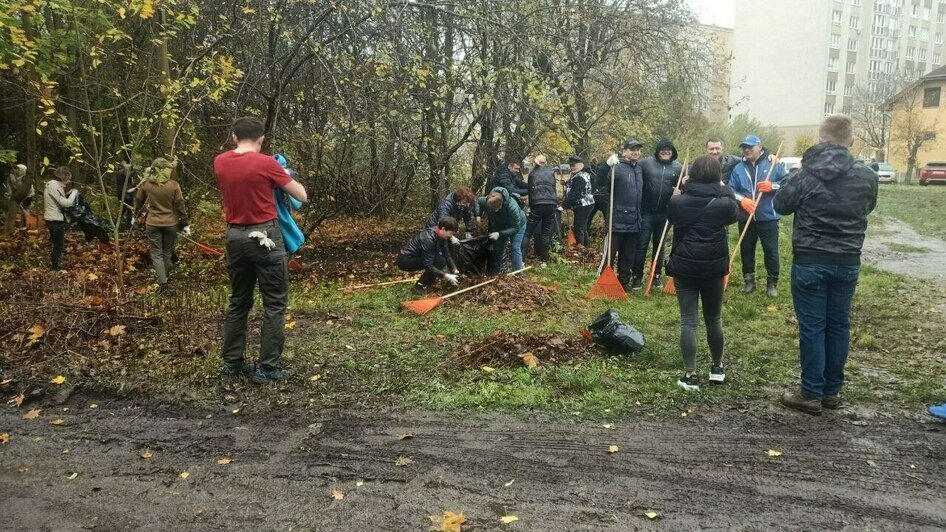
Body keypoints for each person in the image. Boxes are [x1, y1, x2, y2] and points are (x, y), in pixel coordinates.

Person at [773, 115, 878, 415]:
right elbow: (868, 206)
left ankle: (810, 392)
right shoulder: (867, 175)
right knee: (838, 325)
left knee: (813, 327)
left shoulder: (804, 174)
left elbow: (781, 206)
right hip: (847, 260)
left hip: (811, 259)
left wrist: (790, 178)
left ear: (821, 139)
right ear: (851, 141)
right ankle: (831, 391)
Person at [215, 116, 308, 384]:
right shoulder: (267, 163)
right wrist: (287, 176)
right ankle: (267, 368)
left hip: (234, 236)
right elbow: (300, 195)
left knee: (238, 300)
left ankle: (232, 363)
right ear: (261, 139)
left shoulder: (220, 162)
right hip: (265, 236)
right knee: (274, 302)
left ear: (234, 136)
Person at [666, 155, 739, 391]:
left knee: (689, 320)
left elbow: (673, 217)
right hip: (713, 267)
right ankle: (717, 368)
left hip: (685, 266)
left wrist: (684, 186)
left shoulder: (678, 201)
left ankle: (690, 375)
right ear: (718, 175)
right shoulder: (725, 201)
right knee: (714, 319)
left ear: (693, 173)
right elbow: (733, 216)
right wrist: (723, 187)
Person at [729, 135, 787, 296]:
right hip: (746, 216)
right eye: (744, 147)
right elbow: (731, 189)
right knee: (746, 250)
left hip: (768, 215)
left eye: (750, 147)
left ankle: (772, 283)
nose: (746, 150)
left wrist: (772, 185)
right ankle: (749, 281)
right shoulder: (738, 168)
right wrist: (743, 200)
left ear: (760, 147)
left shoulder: (773, 163)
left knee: (771, 250)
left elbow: (787, 182)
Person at [134, 157, 189, 292]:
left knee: (156, 254)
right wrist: (185, 222)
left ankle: (163, 283)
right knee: (167, 252)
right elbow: (180, 205)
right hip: (170, 224)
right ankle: (165, 280)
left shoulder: (146, 184)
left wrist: (136, 216)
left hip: (152, 223)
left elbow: (138, 201)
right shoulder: (174, 185)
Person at [634, 138, 682, 290]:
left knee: (659, 246)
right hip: (646, 212)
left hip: (665, 213)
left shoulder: (678, 167)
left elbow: (685, 186)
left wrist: (680, 192)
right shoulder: (645, 163)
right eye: (663, 148)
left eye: (669, 149)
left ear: (673, 151)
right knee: (641, 245)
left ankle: (656, 276)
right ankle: (637, 276)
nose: (666, 151)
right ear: (658, 150)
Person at [602, 139, 644, 290]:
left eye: (638, 149)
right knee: (610, 256)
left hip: (634, 221)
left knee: (628, 256)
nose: (636, 152)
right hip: (617, 220)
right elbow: (600, 182)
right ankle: (605, 283)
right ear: (624, 151)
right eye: (632, 149)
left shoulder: (639, 169)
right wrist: (605, 166)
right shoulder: (616, 168)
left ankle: (623, 284)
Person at [397, 216, 460, 295]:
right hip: (405, 260)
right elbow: (428, 265)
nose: (451, 236)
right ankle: (419, 286)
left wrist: (454, 269)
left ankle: (427, 282)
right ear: (443, 229)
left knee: (441, 260)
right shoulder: (429, 239)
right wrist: (446, 275)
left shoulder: (442, 236)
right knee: (437, 261)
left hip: (416, 257)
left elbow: (447, 255)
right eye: (450, 233)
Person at [477, 187, 526, 275]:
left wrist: (500, 234)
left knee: (515, 247)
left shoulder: (512, 207)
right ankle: (495, 274)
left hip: (518, 225)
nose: (493, 212)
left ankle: (518, 273)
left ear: (501, 204)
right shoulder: (489, 200)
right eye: (491, 210)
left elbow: (515, 227)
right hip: (500, 226)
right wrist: (478, 215)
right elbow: (478, 202)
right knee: (498, 248)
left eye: (495, 210)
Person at [521, 154, 559, 266]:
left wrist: (531, 206)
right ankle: (544, 261)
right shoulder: (551, 172)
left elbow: (531, 191)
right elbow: (553, 188)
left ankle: (522, 260)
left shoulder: (532, 174)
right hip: (551, 204)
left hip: (537, 205)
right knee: (545, 234)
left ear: (535, 163)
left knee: (528, 233)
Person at [42, 166, 78, 270]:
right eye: (68, 177)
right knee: (59, 245)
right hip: (55, 220)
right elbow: (66, 203)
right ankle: (55, 268)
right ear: (64, 177)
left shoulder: (53, 186)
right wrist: (74, 193)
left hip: (51, 219)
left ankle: (55, 265)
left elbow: (58, 199)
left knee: (56, 244)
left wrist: (68, 192)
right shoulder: (54, 187)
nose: (69, 180)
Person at [272, 154, 305, 254]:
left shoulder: (283, 174)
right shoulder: (278, 175)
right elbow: (300, 199)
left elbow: (298, 200)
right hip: (274, 216)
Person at [562, 155, 595, 246]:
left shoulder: (579, 178)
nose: (572, 167)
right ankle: (586, 247)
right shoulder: (582, 174)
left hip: (583, 205)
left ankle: (581, 249)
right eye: (571, 165)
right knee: (583, 228)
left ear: (581, 165)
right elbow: (575, 185)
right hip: (587, 203)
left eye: (574, 165)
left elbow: (574, 194)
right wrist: (566, 183)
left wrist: (563, 205)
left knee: (579, 228)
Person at [114, 164, 141, 231]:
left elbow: (126, 180)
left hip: (121, 192)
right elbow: (128, 176)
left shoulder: (119, 172)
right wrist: (135, 170)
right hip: (126, 193)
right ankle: (128, 226)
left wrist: (134, 185)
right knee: (129, 208)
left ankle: (117, 225)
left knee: (122, 208)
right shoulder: (123, 171)